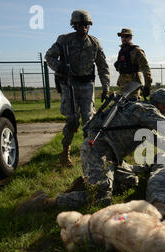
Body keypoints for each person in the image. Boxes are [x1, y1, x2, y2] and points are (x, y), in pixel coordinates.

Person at [15, 88, 165, 214]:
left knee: (132, 181)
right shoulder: (146, 111)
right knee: (102, 199)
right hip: (98, 152)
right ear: (162, 107)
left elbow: (159, 141)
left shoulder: (140, 113)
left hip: (111, 157)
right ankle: (47, 201)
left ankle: (89, 183)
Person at [45, 10, 110, 167]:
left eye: (86, 25)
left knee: (89, 121)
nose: (84, 28)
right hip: (69, 85)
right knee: (73, 120)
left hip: (87, 85)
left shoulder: (94, 43)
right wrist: (60, 67)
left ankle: (89, 153)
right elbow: (49, 56)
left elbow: (103, 67)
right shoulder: (64, 41)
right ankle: (65, 151)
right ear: (74, 25)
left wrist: (106, 87)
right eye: (80, 25)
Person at [114, 28, 152, 100]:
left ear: (130, 38)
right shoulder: (121, 51)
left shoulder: (137, 51)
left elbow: (145, 68)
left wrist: (147, 85)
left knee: (133, 106)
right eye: (122, 36)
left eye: (126, 36)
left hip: (133, 86)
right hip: (122, 86)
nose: (123, 38)